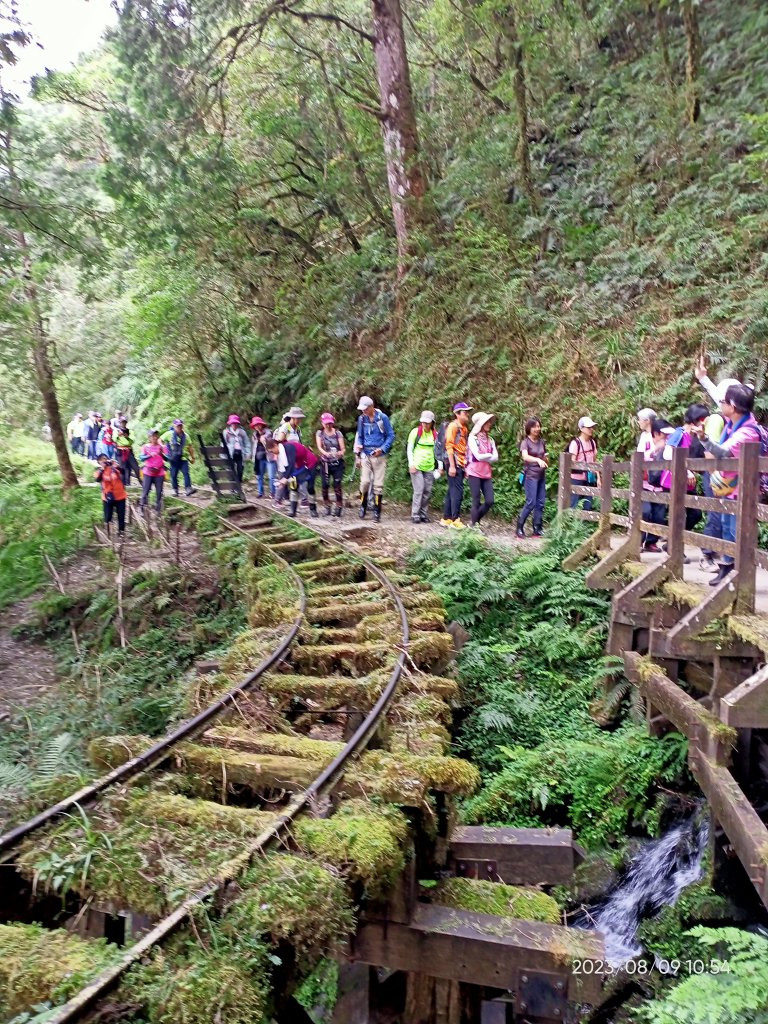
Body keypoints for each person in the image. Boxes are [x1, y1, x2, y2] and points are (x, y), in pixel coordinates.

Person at [692, 383, 762, 586]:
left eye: (723, 401)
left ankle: (736, 573)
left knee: (734, 530)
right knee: (725, 526)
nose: (720, 404)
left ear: (733, 406)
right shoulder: (733, 424)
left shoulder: (746, 432)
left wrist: (704, 438)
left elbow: (723, 451)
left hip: (741, 490)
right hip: (729, 487)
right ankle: (727, 569)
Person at [354, 396, 395, 522]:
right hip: (365, 454)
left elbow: (390, 435)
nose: (363, 411)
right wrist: (358, 454)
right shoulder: (362, 419)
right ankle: (363, 506)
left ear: (372, 407)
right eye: (362, 409)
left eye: (365, 409)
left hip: (379, 456)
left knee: (378, 484)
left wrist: (382, 449)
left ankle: (377, 512)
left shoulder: (382, 418)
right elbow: (360, 436)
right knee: (365, 482)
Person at [641, 418, 675, 552]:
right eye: (663, 434)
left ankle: (651, 542)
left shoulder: (670, 445)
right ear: (656, 433)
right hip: (644, 485)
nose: (667, 437)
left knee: (659, 516)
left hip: (660, 486)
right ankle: (638, 541)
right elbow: (639, 458)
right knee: (645, 512)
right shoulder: (645, 441)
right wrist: (655, 450)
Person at [266, 438, 319, 518]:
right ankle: (293, 511)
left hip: (309, 463)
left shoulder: (289, 447)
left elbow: (291, 463)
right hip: (298, 466)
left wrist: (285, 478)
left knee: (310, 487)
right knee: (293, 487)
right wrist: (283, 480)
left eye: (271, 451)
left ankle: (313, 509)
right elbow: (286, 468)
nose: (272, 453)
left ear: (275, 445)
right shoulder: (280, 454)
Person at [440, 402, 473, 530]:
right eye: (465, 412)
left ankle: (446, 518)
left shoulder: (463, 428)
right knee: (457, 491)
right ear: (457, 414)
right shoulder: (453, 427)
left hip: (461, 462)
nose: (467, 415)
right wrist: (452, 466)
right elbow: (449, 446)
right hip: (454, 462)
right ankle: (455, 519)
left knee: (451, 490)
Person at [516, 417, 548, 538]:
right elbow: (525, 457)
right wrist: (538, 459)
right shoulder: (525, 442)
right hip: (530, 475)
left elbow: (544, 455)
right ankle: (519, 527)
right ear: (529, 428)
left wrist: (545, 459)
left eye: (538, 426)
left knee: (540, 503)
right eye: (534, 426)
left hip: (541, 475)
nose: (537, 429)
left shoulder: (542, 442)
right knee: (531, 502)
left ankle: (537, 528)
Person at [466, 412, 498, 528]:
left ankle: (474, 522)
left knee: (490, 500)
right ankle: (475, 526)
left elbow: (496, 457)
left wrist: (487, 456)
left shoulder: (490, 440)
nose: (489, 424)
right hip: (474, 472)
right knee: (476, 500)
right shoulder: (472, 438)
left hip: (486, 473)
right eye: (487, 422)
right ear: (481, 424)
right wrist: (489, 455)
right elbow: (478, 456)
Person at [407, 411, 440, 524]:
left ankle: (423, 514)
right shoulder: (415, 432)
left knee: (427, 491)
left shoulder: (435, 435)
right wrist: (411, 464)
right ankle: (415, 514)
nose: (425, 425)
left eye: (427, 423)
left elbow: (438, 452)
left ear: (432, 423)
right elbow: (410, 449)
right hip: (417, 466)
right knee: (419, 490)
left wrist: (439, 466)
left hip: (429, 466)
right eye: (423, 422)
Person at [315, 413, 346, 517]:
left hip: (337, 463)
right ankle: (327, 505)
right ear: (322, 423)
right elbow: (319, 447)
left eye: (330, 423)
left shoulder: (338, 433)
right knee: (325, 485)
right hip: (325, 463)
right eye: (326, 423)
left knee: (337, 485)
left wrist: (341, 452)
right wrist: (325, 453)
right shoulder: (320, 433)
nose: (328, 425)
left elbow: (343, 448)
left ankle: (339, 506)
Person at [568, 417, 600, 510]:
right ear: (581, 429)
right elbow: (572, 462)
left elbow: (594, 462)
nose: (591, 429)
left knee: (588, 505)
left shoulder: (592, 443)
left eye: (592, 427)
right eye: (588, 427)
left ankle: (584, 524)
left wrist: (598, 477)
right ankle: (571, 523)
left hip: (590, 478)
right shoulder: (575, 443)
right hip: (576, 479)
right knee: (573, 504)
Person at [95, 453, 127, 537]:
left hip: (120, 495)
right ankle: (108, 533)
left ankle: (121, 532)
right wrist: (102, 468)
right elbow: (97, 479)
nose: (104, 461)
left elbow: (123, 472)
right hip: (107, 496)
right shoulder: (99, 471)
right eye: (101, 460)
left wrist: (116, 465)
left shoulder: (113, 468)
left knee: (121, 515)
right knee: (108, 516)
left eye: (105, 459)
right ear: (98, 462)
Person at [164, 419, 197, 497]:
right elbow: (160, 440)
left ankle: (188, 488)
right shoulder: (169, 434)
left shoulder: (186, 436)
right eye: (178, 426)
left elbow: (190, 447)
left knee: (186, 473)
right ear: (174, 426)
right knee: (174, 475)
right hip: (174, 458)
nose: (179, 427)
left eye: (181, 425)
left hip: (183, 458)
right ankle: (175, 490)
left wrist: (192, 457)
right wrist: (163, 449)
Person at [140, 429, 168, 513]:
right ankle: (141, 507)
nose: (155, 437)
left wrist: (161, 454)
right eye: (153, 436)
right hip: (148, 472)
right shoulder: (145, 447)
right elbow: (141, 458)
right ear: (149, 437)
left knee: (159, 491)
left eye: (156, 436)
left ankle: (158, 509)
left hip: (159, 472)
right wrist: (149, 456)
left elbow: (168, 458)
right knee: (146, 490)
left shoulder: (162, 447)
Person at [251, 417, 275, 498]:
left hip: (269, 457)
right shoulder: (254, 435)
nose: (257, 427)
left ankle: (273, 493)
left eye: (258, 424)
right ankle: (260, 492)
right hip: (259, 458)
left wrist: (264, 439)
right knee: (259, 476)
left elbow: (271, 443)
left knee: (271, 476)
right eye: (255, 425)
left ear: (262, 424)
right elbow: (254, 447)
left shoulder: (269, 433)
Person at [222, 414, 251, 482]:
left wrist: (248, 452)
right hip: (230, 452)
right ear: (230, 423)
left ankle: (238, 484)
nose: (234, 424)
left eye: (235, 423)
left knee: (240, 469)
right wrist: (223, 454)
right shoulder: (226, 432)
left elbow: (247, 443)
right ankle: (232, 486)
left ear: (238, 423)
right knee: (230, 468)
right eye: (232, 423)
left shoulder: (242, 432)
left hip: (240, 452)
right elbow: (223, 443)